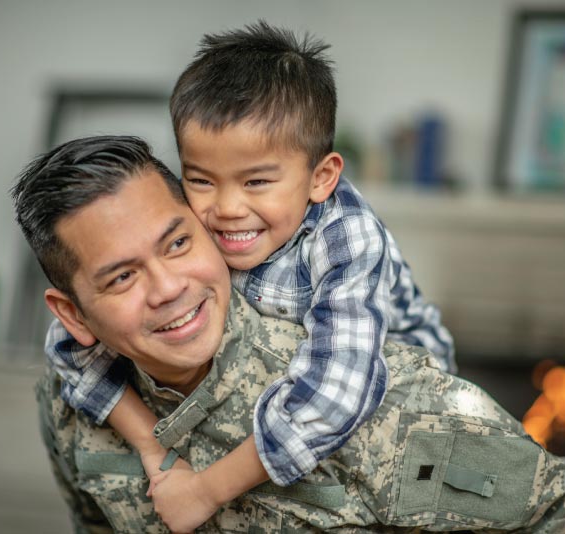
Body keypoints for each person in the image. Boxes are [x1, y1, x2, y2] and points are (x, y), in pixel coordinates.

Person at [13, 135, 565, 533]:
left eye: (177, 243)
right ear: (72, 316)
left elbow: (562, 512)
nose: (168, 287)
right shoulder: (69, 410)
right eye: (121, 277)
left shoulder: (370, 396)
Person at [43, 20, 457, 518]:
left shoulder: (345, 237)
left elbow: (335, 392)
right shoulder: (195, 222)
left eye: (257, 181)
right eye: (201, 179)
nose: (227, 208)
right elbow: (69, 344)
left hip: (397, 383)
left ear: (320, 177)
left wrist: (205, 490)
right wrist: (153, 448)